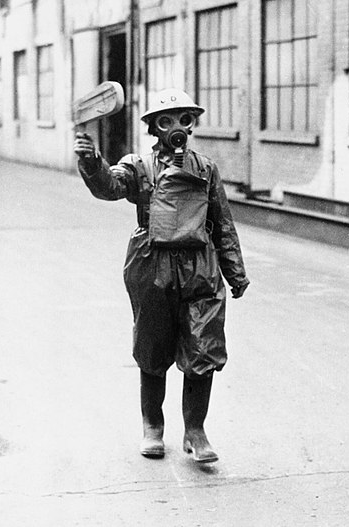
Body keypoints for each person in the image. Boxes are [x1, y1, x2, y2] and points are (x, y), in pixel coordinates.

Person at [74, 88, 249, 463]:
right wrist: (92, 162)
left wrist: (235, 272)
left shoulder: (205, 168)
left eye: (184, 119)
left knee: (204, 348)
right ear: (154, 127)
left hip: (200, 268)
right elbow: (110, 186)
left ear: (193, 123)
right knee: (153, 349)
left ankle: (195, 431)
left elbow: (221, 222)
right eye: (167, 121)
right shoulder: (139, 167)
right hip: (153, 267)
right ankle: (152, 427)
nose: (177, 127)